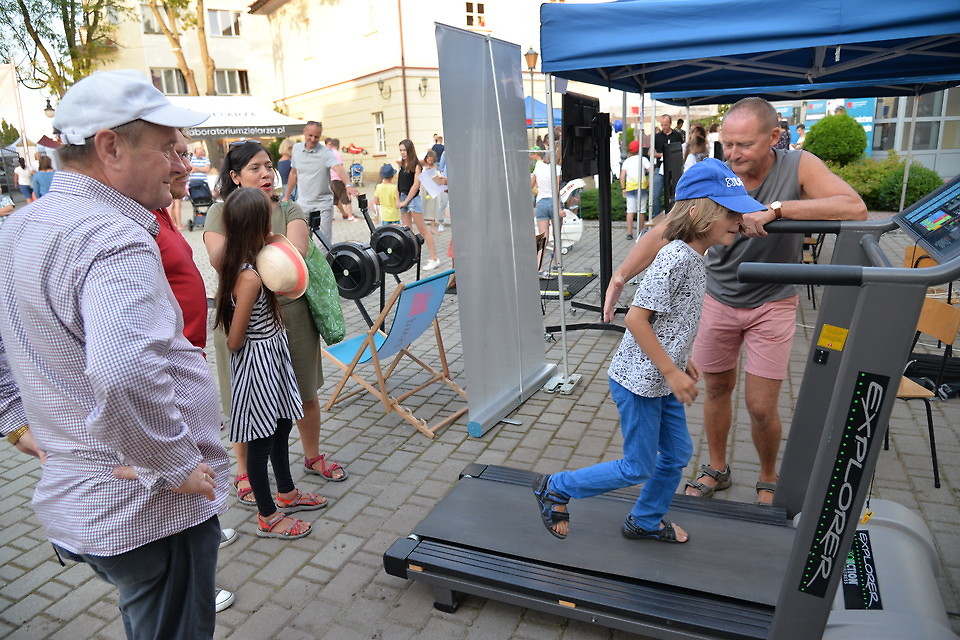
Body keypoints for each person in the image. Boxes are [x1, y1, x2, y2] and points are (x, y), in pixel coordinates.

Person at [0, 69, 229, 639]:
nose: (179, 165)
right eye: (167, 149)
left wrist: (15, 421)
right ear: (110, 148)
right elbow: (124, 370)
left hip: (91, 504)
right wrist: (174, 466)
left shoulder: (19, 228)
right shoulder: (112, 235)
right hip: (150, 513)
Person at [602, 97, 867, 505]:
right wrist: (621, 275)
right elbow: (666, 228)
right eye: (727, 143)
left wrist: (776, 210)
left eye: (744, 144)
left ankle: (768, 476)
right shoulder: (718, 173)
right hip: (718, 296)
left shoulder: (798, 165)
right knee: (717, 388)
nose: (733, 154)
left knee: (760, 406)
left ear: (774, 137)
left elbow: (855, 208)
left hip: (772, 300)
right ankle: (717, 467)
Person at [532, 158, 764, 543]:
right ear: (698, 212)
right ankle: (555, 487)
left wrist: (681, 360)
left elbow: (671, 319)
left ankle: (645, 519)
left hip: (662, 377)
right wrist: (671, 370)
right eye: (730, 212)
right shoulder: (675, 257)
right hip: (639, 382)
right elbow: (637, 319)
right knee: (637, 466)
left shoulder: (697, 256)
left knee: (676, 455)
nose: (739, 221)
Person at [205, 141, 346, 511]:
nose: (266, 173)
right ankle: (244, 473)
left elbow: (294, 257)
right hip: (241, 321)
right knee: (245, 405)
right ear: (235, 176)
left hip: (291, 319)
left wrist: (253, 239)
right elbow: (219, 260)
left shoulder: (289, 208)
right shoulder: (220, 213)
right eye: (255, 168)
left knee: (303, 394)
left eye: (268, 165)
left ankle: (311, 457)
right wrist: (256, 236)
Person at [150, 129, 237, 612]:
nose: (185, 165)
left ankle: (205, 523)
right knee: (184, 464)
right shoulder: (140, 221)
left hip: (188, 351)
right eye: (174, 154)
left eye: (186, 154)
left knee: (198, 460)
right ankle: (196, 580)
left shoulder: (163, 212)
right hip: (170, 364)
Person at [214, 187, 324, 539]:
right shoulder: (248, 277)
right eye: (267, 220)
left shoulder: (258, 264)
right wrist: (259, 343)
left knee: (281, 426)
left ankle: (287, 492)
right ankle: (268, 516)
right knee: (261, 441)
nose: (272, 225)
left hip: (273, 358)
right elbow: (234, 339)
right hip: (259, 364)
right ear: (255, 226)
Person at [282, 121, 357, 242]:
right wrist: (286, 196)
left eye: (316, 137)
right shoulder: (296, 149)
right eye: (310, 135)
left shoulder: (326, 152)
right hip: (303, 204)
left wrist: (348, 185)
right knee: (303, 242)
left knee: (324, 243)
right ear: (304, 133)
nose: (313, 139)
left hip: (323, 204)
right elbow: (293, 173)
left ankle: (324, 255)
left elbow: (338, 168)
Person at [398, 139, 440, 269]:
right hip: (403, 197)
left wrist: (405, 201)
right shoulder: (402, 164)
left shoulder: (416, 165)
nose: (402, 153)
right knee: (407, 231)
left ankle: (434, 258)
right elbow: (398, 184)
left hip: (413, 200)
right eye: (401, 150)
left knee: (423, 230)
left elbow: (416, 185)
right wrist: (398, 200)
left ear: (410, 150)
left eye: (404, 150)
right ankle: (412, 256)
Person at [531, 146, 562, 272]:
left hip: (541, 203)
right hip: (553, 202)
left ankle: (539, 266)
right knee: (557, 236)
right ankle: (556, 264)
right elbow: (557, 189)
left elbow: (531, 185)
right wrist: (559, 208)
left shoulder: (538, 167)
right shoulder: (557, 168)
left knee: (543, 237)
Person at [652, 115, 684, 216]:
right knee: (655, 194)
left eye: (665, 125)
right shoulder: (657, 137)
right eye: (662, 125)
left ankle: (675, 214)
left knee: (675, 193)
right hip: (660, 167)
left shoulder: (677, 135)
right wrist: (661, 155)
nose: (664, 127)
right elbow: (651, 152)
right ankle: (656, 215)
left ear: (670, 123)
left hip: (673, 167)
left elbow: (681, 149)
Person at [619, 140, 651, 240]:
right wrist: (648, 182)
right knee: (641, 210)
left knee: (630, 210)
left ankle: (629, 232)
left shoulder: (627, 161)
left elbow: (622, 176)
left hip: (630, 188)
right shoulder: (643, 159)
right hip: (641, 187)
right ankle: (641, 231)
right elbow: (651, 171)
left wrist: (623, 188)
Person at [326, 138, 356, 222]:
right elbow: (340, 167)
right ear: (338, 145)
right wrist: (347, 180)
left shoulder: (328, 153)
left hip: (330, 179)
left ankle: (339, 215)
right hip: (338, 178)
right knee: (346, 198)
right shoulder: (337, 153)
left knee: (334, 199)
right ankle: (350, 216)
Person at [421, 149, 448, 232]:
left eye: (432, 160)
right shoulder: (422, 166)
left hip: (432, 189)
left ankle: (433, 227)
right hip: (424, 189)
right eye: (429, 160)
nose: (430, 162)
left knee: (433, 208)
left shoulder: (435, 167)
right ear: (426, 159)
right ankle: (423, 227)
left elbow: (438, 178)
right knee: (422, 207)